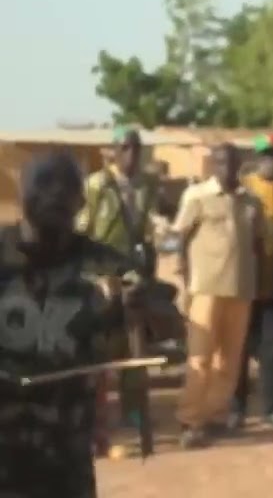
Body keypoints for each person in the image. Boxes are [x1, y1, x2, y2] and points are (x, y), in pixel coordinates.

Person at [0, 152, 150, 496]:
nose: (55, 194)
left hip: (67, 446)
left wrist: (137, 307)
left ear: (82, 199)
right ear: (22, 195)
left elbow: (163, 318)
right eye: (44, 184)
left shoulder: (105, 264)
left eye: (66, 186)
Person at [171, 143, 264, 448]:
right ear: (213, 165)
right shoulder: (197, 196)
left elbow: (259, 243)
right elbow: (181, 239)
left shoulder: (251, 200)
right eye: (221, 162)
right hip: (206, 288)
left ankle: (214, 415)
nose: (226, 168)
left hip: (241, 289)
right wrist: (185, 282)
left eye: (232, 163)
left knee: (230, 361)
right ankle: (190, 420)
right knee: (200, 357)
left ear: (240, 165)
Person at [76, 127, 160, 457]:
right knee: (97, 353)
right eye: (125, 148)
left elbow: (147, 229)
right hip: (99, 277)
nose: (132, 155)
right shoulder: (97, 185)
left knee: (134, 350)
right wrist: (92, 276)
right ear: (113, 151)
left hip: (131, 274)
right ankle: (95, 426)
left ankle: (136, 415)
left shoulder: (145, 185)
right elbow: (83, 230)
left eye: (136, 149)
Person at [232, 134, 273, 430]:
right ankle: (237, 409)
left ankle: (272, 409)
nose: (270, 160)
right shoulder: (245, 186)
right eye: (264, 155)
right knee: (240, 349)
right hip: (248, 281)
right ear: (257, 158)